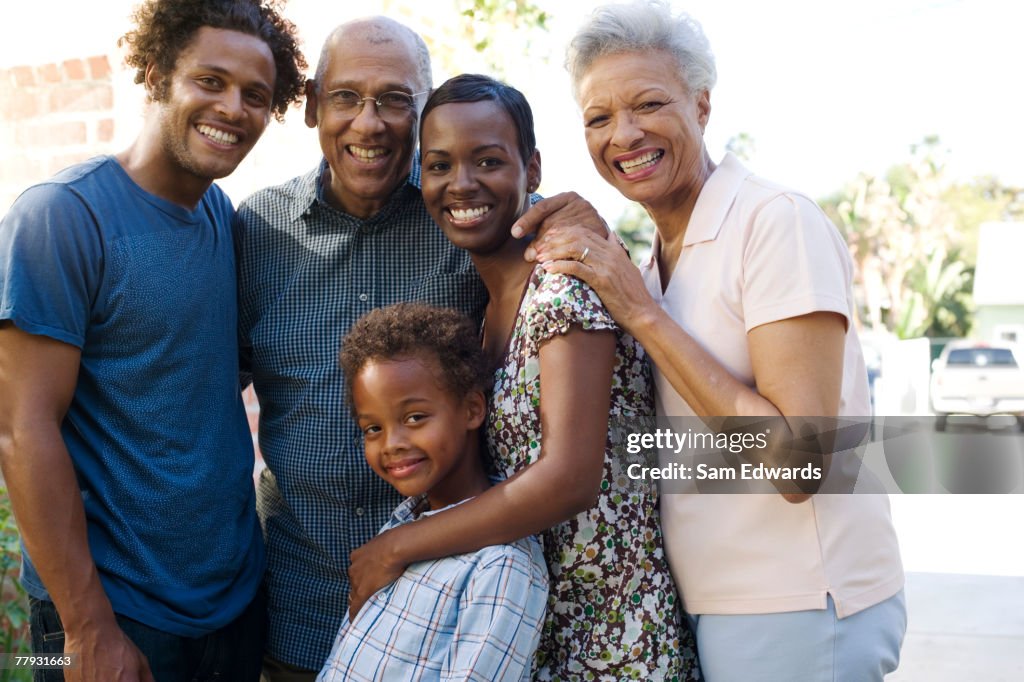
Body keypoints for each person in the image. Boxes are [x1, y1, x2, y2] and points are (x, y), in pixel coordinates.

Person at [527, 2, 907, 680]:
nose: (625, 133)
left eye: (648, 103)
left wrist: (642, 314)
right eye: (599, 117)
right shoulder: (652, 264)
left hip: (799, 607)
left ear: (702, 105)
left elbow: (799, 462)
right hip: (711, 607)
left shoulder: (772, 222)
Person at [236, 16, 609, 680]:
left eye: (395, 100)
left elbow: (564, 242)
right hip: (296, 609)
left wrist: (589, 224)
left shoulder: (466, 211)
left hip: (450, 620)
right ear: (314, 104)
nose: (369, 122)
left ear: (421, 114)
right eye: (347, 97)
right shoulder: (256, 231)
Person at [345, 73, 697, 681]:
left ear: (531, 168)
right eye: (439, 165)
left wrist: (393, 548)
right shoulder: (482, 316)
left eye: (488, 160)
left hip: (614, 646)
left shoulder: (562, 288)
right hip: (533, 638)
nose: (462, 184)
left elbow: (569, 480)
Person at [0, 1, 306, 680]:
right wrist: (85, 628)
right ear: (159, 74)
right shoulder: (61, 218)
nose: (233, 108)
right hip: (112, 613)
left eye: (256, 95)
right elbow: (23, 432)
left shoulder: (221, 218)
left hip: (231, 603)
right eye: (210, 80)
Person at [317, 303, 548, 681]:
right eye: (372, 428)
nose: (391, 443)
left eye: (414, 418)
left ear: (473, 409)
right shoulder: (401, 525)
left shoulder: (501, 568)